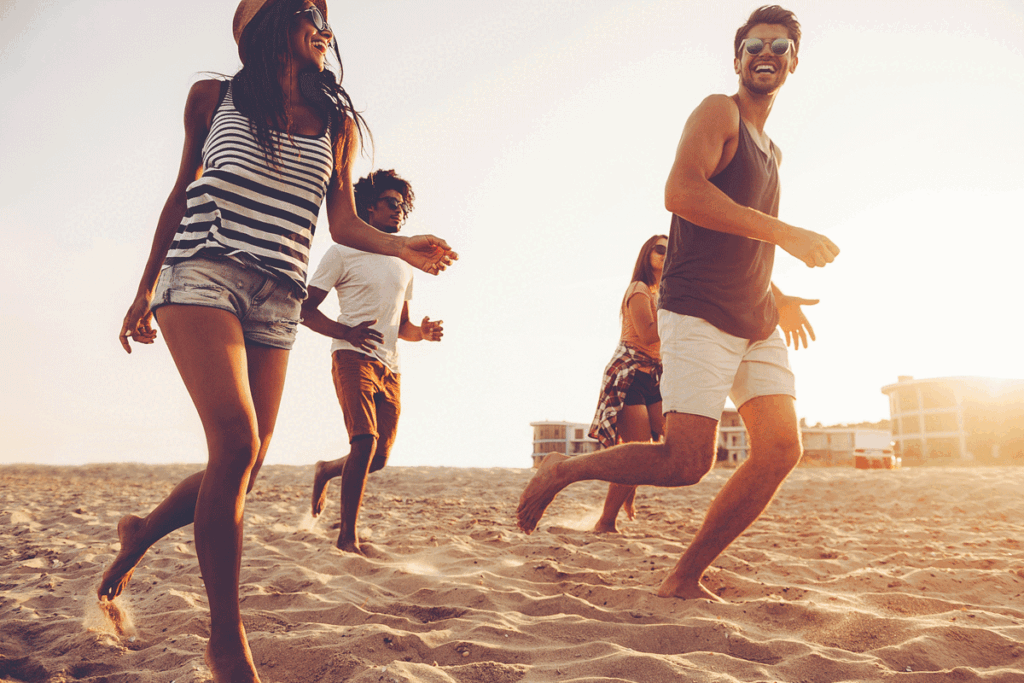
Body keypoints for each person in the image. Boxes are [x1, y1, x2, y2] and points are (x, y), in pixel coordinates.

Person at [100, 1, 455, 680]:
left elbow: (344, 221)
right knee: (235, 442)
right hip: (202, 270)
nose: (325, 28)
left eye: (328, 20)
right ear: (268, 24)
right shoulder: (214, 98)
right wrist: (144, 288)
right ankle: (226, 643)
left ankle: (139, 534)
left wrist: (401, 246)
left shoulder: (338, 123)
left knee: (245, 466)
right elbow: (181, 193)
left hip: (279, 296)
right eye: (310, 14)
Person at [517, 5, 839, 602]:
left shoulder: (774, 151)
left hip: (756, 315)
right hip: (697, 309)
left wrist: (779, 293)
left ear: (795, 62)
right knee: (687, 461)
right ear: (737, 56)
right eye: (754, 45)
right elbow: (682, 192)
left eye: (780, 46)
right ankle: (564, 471)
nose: (766, 54)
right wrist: (787, 233)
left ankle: (684, 575)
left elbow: (740, 233)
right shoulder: (719, 112)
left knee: (780, 449)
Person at [303, 169, 443, 555]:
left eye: (402, 206)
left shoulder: (402, 261)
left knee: (377, 458)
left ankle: (326, 470)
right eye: (391, 204)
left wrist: (423, 332)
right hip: (351, 356)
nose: (399, 212)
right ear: (368, 205)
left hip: (390, 366)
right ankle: (347, 537)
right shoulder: (342, 252)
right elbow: (305, 309)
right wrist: (344, 331)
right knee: (363, 440)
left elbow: (403, 327)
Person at [587, 235, 668, 533]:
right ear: (647, 254)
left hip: (654, 374)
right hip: (629, 372)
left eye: (671, 250)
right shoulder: (639, 289)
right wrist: (675, 311)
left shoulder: (663, 291)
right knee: (638, 451)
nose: (665, 254)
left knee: (672, 438)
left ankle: (628, 490)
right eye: (660, 249)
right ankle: (605, 521)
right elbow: (648, 335)